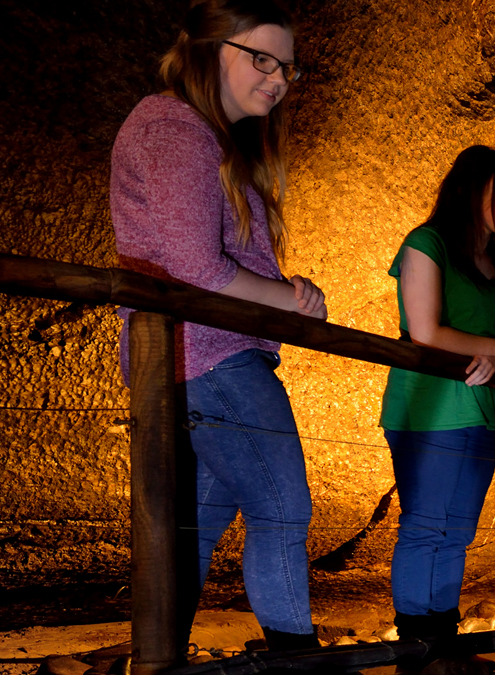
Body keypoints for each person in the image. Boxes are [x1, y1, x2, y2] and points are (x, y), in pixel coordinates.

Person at [110, 0, 322, 651]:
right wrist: (284, 299)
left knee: (195, 523)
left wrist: (279, 295)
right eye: (261, 58)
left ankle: (161, 656)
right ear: (208, 50)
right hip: (210, 353)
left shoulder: (199, 136)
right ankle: (294, 656)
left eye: (286, 66)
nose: (278, 78)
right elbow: (195, 266)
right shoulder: (174, 127)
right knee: (282, 506)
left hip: (195, 355)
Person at [380, 146, 495, 640]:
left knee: (459, 532)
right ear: (469, 189)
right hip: (428, 405)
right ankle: (415, 642)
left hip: (480, 409)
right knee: (426, 525)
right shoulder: (428, 243)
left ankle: (441, 636)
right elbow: (424, 330)